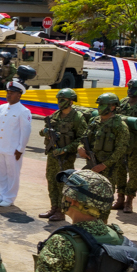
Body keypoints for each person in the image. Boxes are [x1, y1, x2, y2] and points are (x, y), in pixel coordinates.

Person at [39, 89, 89, 221]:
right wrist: (45, 131)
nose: (59, 103)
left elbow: (82, 139)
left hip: (65, 157)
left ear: (71, 101)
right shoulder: (55, 115)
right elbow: (42, 131)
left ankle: (61, 211)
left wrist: (65, 149)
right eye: (58, 100)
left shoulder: (77, 117)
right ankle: (54, 207)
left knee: (63, 184)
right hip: (53, 155)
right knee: (51, 180)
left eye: (62, 100)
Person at [0, 80, 33, 207]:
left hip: (14, 149)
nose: (9, 95)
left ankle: (9, 197)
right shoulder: (1, 108)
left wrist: (21, 149)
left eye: (12, 93)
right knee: (2, 173)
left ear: (19, 95)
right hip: (1, 147)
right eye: (8, 92)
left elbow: (25, 132)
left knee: (12, 174)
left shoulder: (23, 111)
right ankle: (2, 195)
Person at [112, 78, 137, 212]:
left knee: (134, 174)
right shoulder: (123, 103)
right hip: (121, 145)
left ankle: (129, 201)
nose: (129, 90)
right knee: (120, 172)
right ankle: (120, 199)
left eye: (133, 88)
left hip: (136, 147)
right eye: (129, 88)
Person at [77, 93, 130, 193]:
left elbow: (121, 149)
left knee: (104, 195)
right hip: (91, 164)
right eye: (99, 105)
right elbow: (84, 138)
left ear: (112, 107)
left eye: (102, 105)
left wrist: (104, 165)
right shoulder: (94, 121)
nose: (99, 108)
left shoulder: (119, 125)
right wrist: (80, 147)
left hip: (108, 168)